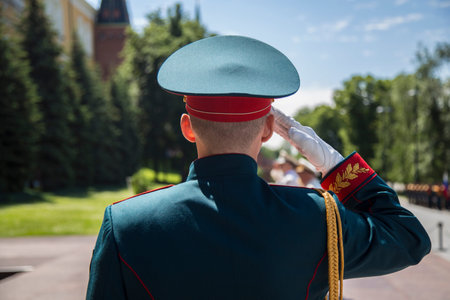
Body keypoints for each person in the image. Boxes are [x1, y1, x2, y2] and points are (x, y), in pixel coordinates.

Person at [86, 35, 431, 300]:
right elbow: (408, 237)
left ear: (187, 127)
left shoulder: (127, 225)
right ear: (267, 130)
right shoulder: (316, 218)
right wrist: (332, 162)